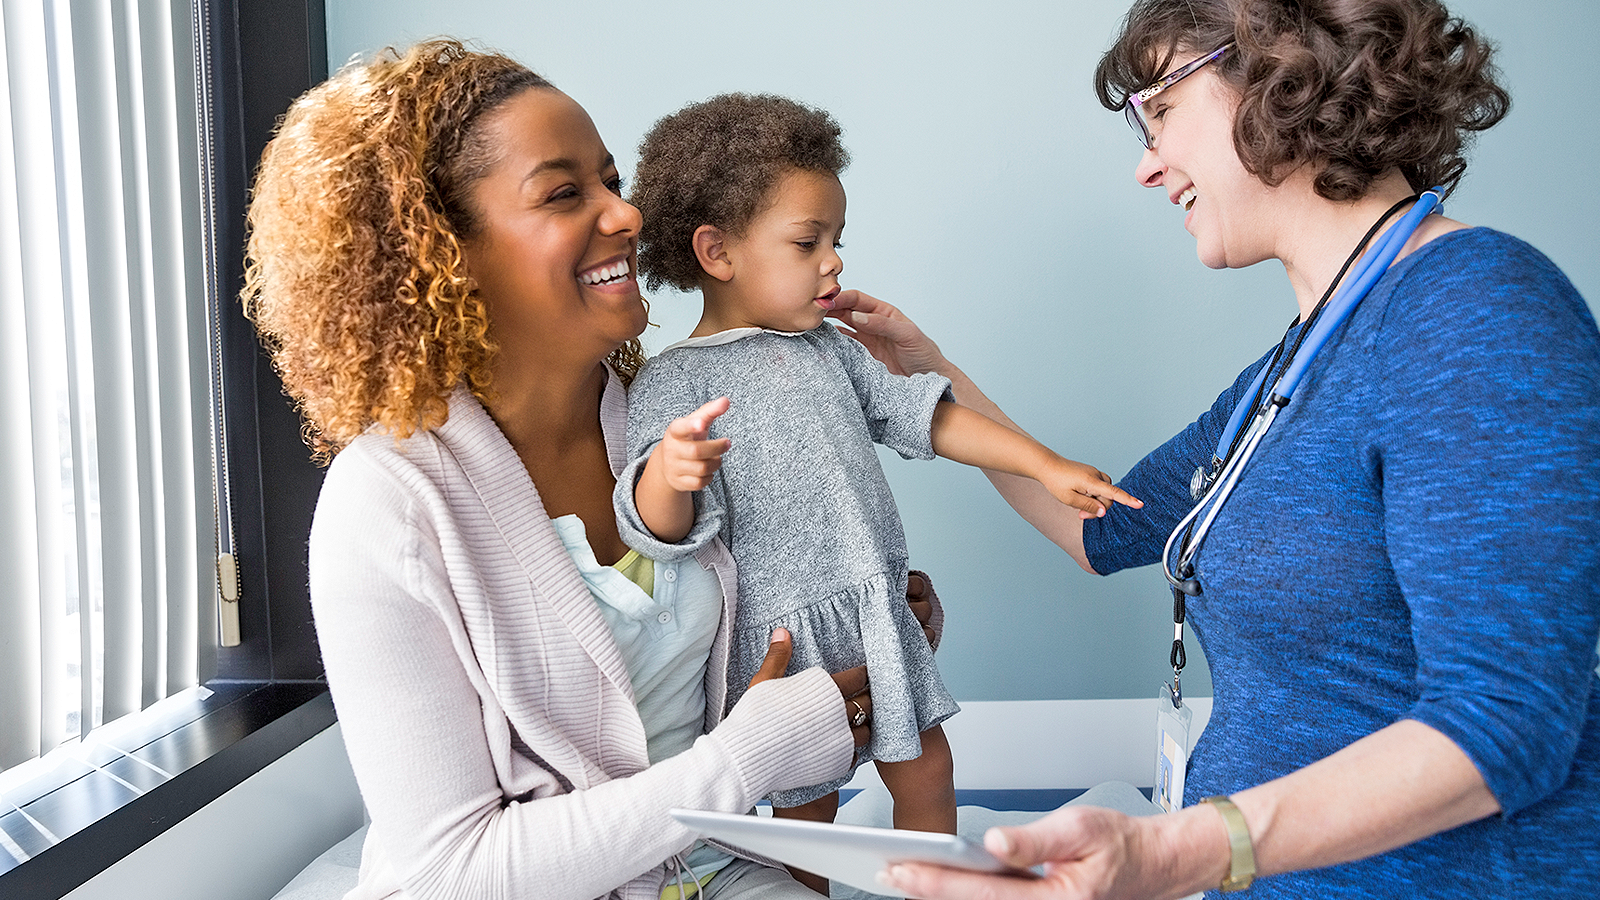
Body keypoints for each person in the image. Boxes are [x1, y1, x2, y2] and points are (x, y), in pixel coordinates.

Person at [832, 1, 1600, 897]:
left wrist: (1179, 850)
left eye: (1159, 109)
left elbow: (1509, 722)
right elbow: (1098, 530)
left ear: (1282, 71)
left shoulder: (1474, 309)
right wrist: (932, 372)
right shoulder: (1287, 373)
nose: (1146, 166)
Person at [241, 39, 943, 900]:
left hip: (712, 866)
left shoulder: (663, 421)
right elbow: (449, 869)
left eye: (612, 180)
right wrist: (746, 756)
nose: (626, 215)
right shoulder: (386, 504)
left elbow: (756, 639)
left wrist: (866, 637)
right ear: (439, 250)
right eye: (566, 193)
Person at [612, 93, 1142, 887]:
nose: (834, 262)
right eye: (808, 241)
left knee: (926, 768)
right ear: (717, 253)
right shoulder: (672, 381)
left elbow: (930, 417)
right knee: (805, 812)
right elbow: (654, 528)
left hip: (872, 608)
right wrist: (667, 477)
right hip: (780, 637)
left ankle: (946, 887)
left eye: (837, 240)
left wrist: (1043, 463)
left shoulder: (831, 349)